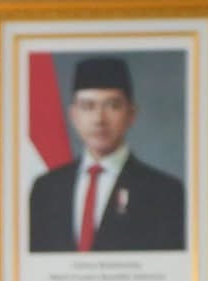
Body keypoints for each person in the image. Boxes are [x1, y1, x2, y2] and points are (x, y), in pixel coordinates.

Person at [28, 56, 185, 254]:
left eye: (112, 106)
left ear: (131, 114)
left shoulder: (165, 193)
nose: (99, 119)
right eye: (88, 106)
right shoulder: (45, 189)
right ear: (73, 116)